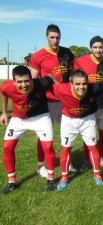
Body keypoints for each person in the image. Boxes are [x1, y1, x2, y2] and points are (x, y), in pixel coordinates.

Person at [52, 70, 103, 191]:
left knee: (93, 146)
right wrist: (51, 77)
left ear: (88, 83)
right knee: (66, 148)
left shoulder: (94, 88)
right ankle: (64, 177)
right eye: (78, 84)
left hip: (88, 119)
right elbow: (50, 83)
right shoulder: (61, 89)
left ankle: (97, 174)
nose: (81, 87)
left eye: (84, 84)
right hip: (68, 120)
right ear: (71, 84)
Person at [0, 65, 56, 194]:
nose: (23, 85)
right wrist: (3, 112)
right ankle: (12, 181)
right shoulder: (6, 86)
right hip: (18, 118)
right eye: (19, 82)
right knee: (7, 146)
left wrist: (62, 93)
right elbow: (3, 92)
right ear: (14, 81)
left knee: (47, 146)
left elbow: (52, 78)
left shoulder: (42, 82)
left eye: (26, 81)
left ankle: (51, 178)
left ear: (32, 79)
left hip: (41, 117)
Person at [30, 24, 75, 176]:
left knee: (68, 131)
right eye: (52, 37)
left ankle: (68, 163)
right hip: (47, 101)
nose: (55, 40)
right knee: (44, 134)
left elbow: (73, 73)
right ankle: (40, 166)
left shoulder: (67, 53)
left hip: (65, 99)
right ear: (46, 37)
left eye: (58, 37)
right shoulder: (38, 56)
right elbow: (34, 80)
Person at [73, 35, 103, 171]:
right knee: (88, 134)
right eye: (95, 47)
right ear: (91, 47)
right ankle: (87, 161)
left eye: (100, 47)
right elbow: (74, 79)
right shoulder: (81, 61)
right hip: (87, 102)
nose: (98, 50)